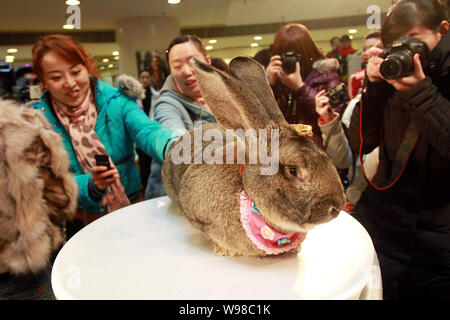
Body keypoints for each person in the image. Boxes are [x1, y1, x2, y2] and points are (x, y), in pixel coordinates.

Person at [347, 0, 450, 299]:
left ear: (443, 30)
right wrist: (375, 86)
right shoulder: (394, 74)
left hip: (438, 238)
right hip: (383, 223)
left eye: (414, 41)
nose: (407, 51)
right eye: (397, 44)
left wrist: (420, 92)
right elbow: (362, 143)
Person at [31, 34, 180, 236]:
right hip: (80, 223)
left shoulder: (116, 101)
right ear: (44, 82)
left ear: (87, 67)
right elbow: (49, 182)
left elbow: (148, 131)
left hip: (130, 211)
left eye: (75, 71)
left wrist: (175, 146)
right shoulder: (40, 123)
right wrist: (91, 185)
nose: (70, 83)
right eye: (56, 77)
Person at [145, 35, 216, 200]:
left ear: (207, 61)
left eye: (193, 62)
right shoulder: (166, 104)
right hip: (170, 199)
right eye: (177, 66)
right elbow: (176, 139)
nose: (186, 71)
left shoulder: (220, 95)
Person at [266, 23, 342, 147]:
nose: (290, 60)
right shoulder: (277, 79)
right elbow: (263, 118)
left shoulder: (326, 75)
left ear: (306, 51)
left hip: (317, 152)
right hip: (285, 153)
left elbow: (335, 113)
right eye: (284, 55)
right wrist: (270, 85)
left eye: (295, 54)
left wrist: (300, 88)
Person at [348, 31, 383, 99]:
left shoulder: (391, 75)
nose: (366, 53)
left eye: (371, 47)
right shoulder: (354, 77)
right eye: (364, 49)